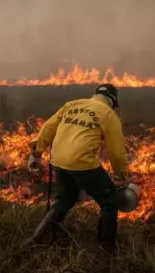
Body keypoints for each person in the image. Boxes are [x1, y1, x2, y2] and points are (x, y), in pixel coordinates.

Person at [24, 83, 131, 253]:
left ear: (95, 94)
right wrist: (122, 175)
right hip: (82, 162)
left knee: (66, 198)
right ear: (113, 101)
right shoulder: (108, 115)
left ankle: (38, 236)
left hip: (58, 159)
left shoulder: (72, 105)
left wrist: (36, 153)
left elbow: (47, 129)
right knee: (109, 201)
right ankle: (107, 248)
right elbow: (116, 152)